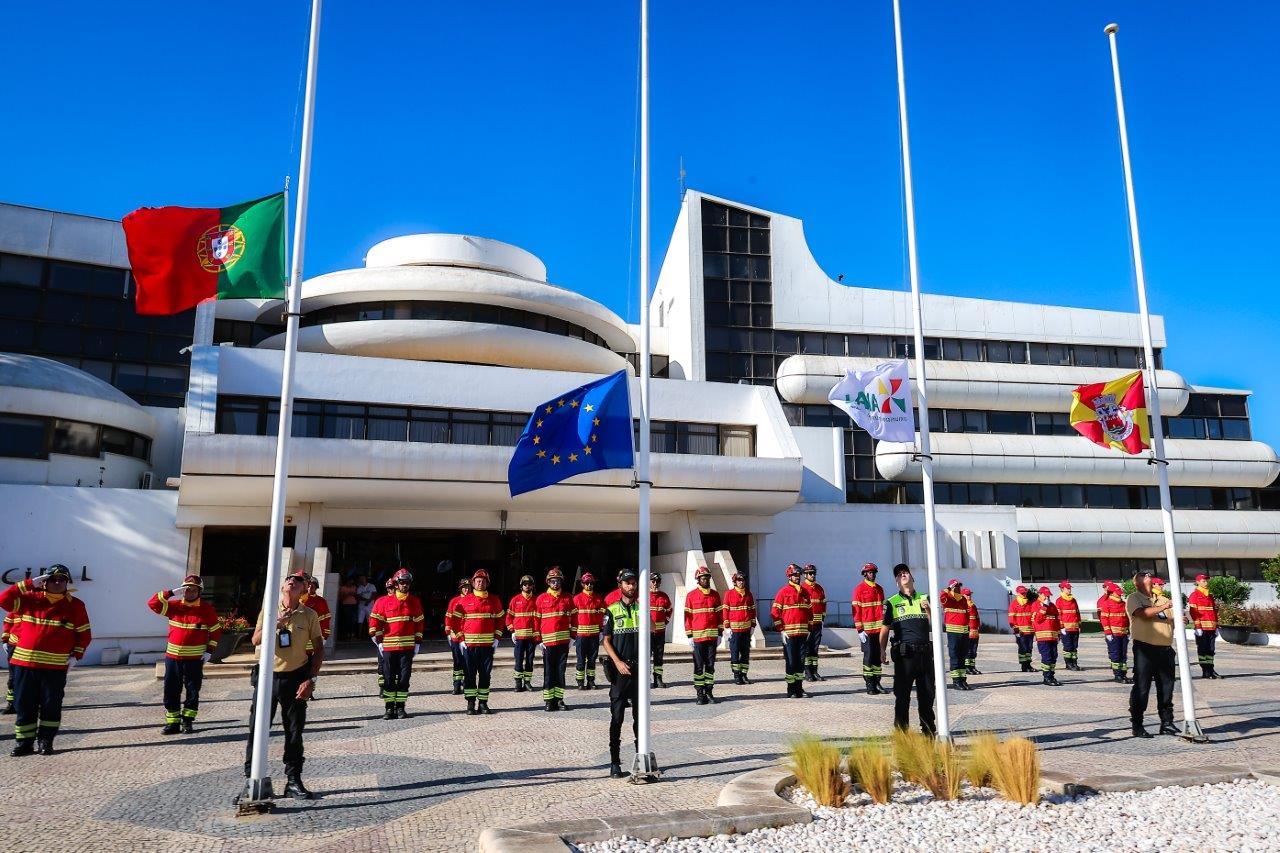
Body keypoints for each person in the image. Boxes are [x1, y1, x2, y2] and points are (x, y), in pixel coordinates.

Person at [242, 570, 323, 799]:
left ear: (305, 588)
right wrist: (276, 624)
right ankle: (250, 780)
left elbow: (319, 649)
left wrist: (311, 679)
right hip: (268, 677)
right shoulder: (269, 611)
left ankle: (293, 780)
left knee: (295, 733)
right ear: (282, 587)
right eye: (289, 579)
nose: (292, 581)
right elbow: (255, 640)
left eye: (298, 580)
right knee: (257, 730)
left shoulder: (309, 615)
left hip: (296, 678)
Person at [1, 565, 91, 756]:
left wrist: (76, 655)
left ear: (67, 582)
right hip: (25, 664)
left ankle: (45, 741)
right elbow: (4, 601)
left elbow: (84, 634)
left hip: (54, 667)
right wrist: (27, 584)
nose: (57, 582)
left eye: (61, 579)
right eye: (52, 579)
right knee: (24, 705)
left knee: (51, 706)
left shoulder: (76, 605)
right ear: (44, 581)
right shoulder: (29, 599)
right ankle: (24, 743)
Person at [147, 575, 221, 734]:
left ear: (199, 591)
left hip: (194, 660)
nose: (190, 592)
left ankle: (188, 722)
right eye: (186, 589)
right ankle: (173, 723)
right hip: (173, 659)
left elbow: (215, 632)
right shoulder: (174, 606)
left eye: (193, 589)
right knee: (171, 690)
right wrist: (171, 593)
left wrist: (209, 651)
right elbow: (152, 603)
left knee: (193, 691)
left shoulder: (206, 610)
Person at [879, 563, 935, 735]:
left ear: (912, 577)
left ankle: (928, 730)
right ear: (897, 581)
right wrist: (882, 650)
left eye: (905, 572)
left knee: (927, 694)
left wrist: (928, 610)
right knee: (902, 696)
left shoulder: (925, 598)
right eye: (899, 574)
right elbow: (885, 628)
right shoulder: (892, 602)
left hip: (925, 654)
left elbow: (935, 624)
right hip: (906, 656)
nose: (903, 575)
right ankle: (902, 732)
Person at [1126, 568, 1178, 738]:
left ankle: (1167, 722)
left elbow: (1172, 619)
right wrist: (1164, 607)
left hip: (1165, 649)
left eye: (1148, 574)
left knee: (1166, 687)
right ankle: (1137, 724)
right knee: (1142, 687)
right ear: (1136, 582)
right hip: (1145, 649)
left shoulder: (1163, 599)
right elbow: (1144, 614)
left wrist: (1179, 619)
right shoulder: (1134, 598)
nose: (1147, 575)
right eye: (1142, 574)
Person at [601, 569, 641, 778]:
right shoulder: (612, 610)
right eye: (627, 583)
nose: (631, 586)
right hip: (620, 671)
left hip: (638, 670)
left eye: (633, 583)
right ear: (620, 586)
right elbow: (606, 641)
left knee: (640, 719)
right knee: (617, 718)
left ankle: (640, 759)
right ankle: (615, 763)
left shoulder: (640, 608)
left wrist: (645, 611)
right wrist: (617, 663)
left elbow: (652, 628)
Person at [369, 568, 424, 720]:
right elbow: (374, 622)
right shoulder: (383, 602)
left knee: (404, 678)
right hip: (388, 647)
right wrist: (378, 641)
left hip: (407, 648)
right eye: (402, 582)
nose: (404, 585)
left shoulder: (414, 601)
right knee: (388, 677)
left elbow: (419, 623)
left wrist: (418, 642)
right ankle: (388, 708)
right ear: (396, 584)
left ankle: (400, 707)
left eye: (407, 582)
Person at [452, 568, 505, 715]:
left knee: (485, 675)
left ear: (487, 583)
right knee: (469, 674)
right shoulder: (464, 600)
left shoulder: (494, 600)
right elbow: (454, 621)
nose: (480, 583)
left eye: (483, 581)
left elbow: (501, 620)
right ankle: (470, 703)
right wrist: (461, 639)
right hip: (469, 645)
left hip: (487, 646)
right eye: (478, 580)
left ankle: (483, 703)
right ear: (473, 582)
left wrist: (497, 638)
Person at [534, 567, 576, 711]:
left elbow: (575, 618)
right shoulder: (541, 599)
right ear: (548, 582)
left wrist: (573, 637)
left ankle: (559, 700)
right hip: (548, 643)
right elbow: (536, 620)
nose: (555, 583)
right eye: (552, 581)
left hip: (563, 642)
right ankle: (548, 700)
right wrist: (539, 640)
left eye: (557, 580)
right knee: (549, 672)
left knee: (560, 672)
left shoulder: (568, 598)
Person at [770, 564, 812, 698]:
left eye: (798, 575)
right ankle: (791, 689)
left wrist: (809, 629)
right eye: (794, 575)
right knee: (791, 662)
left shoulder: (805, 592)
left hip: (803, 634)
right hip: (789, 634)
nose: (797, 577)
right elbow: (775, 612)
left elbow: (810, 612)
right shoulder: (783, 592)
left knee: (800, 661)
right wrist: (781, 630)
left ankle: (799, 688)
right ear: (789, 576)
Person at [684, 566, 724, 705]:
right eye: (703, 578)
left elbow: (720, 615)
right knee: (699, 666)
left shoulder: (715, 595)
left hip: (712, 637)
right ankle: (700, 694)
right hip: (698, 638)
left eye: (707, 577)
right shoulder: (691, 596)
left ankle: (709, 691)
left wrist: (720, 633)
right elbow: (687, 618)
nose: (705, 579)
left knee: (710, 666)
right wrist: (689, 635)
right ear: (698, 580)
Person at [852, 563, 886, 694]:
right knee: (869, 656)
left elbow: (883, 609)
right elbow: (856, 611)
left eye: (874, 572)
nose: (872, 574)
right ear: (865, 574)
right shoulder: (859, 589)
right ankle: (869, 684)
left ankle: (877, 682)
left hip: (879, 630)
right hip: (866, 631)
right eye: (870, 572)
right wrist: (859, 629)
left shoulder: (880, 589)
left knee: (878, 657)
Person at [572, 573, 605, 690]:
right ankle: (580, 681)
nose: (589, 585)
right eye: (587, 583)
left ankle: (591, 681)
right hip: (581, 635)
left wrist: (602, 630)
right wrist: (573, 634)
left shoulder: (598, 599)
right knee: (581, 660)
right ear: (582, 584)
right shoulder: (576, 599)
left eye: (591, 583)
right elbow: (573, 618)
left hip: (594, 635)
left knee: (592, 660)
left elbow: (602, 616)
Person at [722, 572, 757, 685]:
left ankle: (744, 675)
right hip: (735, 630)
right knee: (735, 653)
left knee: (745, 654)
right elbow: (725, 611)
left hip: (746, 630)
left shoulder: (749, 594)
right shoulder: (729, 594)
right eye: (739, 580)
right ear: (735, 582)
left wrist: (753, 625)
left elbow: (752, 611)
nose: (741, 582)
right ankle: (737, 675)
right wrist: (727, 627)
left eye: (743, 580)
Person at [507, 575, 539, 693]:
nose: (527, 586)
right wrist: (512, 631)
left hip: (531, 637)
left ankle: (527, 682)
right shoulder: (515, 600)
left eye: (529, 584)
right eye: (525, 584)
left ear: (532, 586)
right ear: (521, 586)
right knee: (518, 660)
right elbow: (509, 617)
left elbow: (538, 619)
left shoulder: (536, 600)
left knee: (530, 661)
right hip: (519, 637)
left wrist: (538, 635)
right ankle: (518, 683)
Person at [1187, 573, 1221, 679]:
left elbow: (1213, 612)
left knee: (1211, 650)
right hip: (1202, 628)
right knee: (1203, 650)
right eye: (1203, 581)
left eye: (1206, 581)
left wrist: (1216, 626)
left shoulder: (1209, 595)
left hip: (1211, 627)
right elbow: (1193, 612)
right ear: (1198, 582)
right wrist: (1197, 626)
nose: (1206, 583)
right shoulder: (1194, 595)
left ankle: (1211, 669)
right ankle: (1205, 670)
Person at [940, 579, 972, 691]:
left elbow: (967, 615)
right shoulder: (948, 598)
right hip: (954, 633)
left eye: (959, 586)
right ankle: (956, 681)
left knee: (963, 656)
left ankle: (963, 679)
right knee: (955, 656)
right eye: (956, 586)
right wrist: (947, 590)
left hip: (964, 632)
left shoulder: (963, 599)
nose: (958, 588)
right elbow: (941, 597)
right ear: (951, 588)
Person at [1098, 581, 1132, 683]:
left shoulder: (1123, 604)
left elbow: (1127, 619)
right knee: (1115, 654)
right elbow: (1104, 619)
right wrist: (1108, 633)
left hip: (1123, 634)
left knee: (1123, 654)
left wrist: (1129, 632)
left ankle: (1123, 675)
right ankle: (1117, 675)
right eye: (1118, 592)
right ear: (1112, 592)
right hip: (1113, 634)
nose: (1120, 594)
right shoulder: (1107, 604)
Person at [445, 577, 472, 695]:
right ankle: (456, 685)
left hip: (469, 636)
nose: (466, 589)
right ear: (460, 588)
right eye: (464, 587)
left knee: (468, 661)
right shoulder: (454, 601)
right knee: (457, 661)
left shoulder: (474, 600)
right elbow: (448, 617)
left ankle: (467, 683)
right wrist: (448, 633)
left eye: (468, 587)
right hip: (455, 636)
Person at [1031, 586, 1062, 687]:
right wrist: (1044, 606)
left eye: (1049, 595)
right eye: (1046, 595)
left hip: (1053, 636)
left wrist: (1059, 632)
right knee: (1047, 657)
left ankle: (1052, 676)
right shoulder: (1035, 605)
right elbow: (1038, 619)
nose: (1048, 597)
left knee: (1054, 657)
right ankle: (1046, 677)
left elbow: (1057, 620)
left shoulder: (1052, 605)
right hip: (1043, 637)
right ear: (1040, 594)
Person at [800, 564, 827, 682]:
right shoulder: (802, 588)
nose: (813, 575)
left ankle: (815, 671)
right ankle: (807, 673)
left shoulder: (820, 588)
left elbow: (824, 604)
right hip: (807, 625)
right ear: (805, 575)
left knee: (815, 649)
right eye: (810, 573)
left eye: (814, 573)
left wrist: (822, 620)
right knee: (806, 649)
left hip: (817, 624)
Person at [649, 573, 673, 689]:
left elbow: (669, 610)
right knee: (645, 657)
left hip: (660, 633)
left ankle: (658, 679)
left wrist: (666, 621)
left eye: (657, 581)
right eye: (653, 581)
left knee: (659, 656)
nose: (655, 583)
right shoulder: (642, 596)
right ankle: (645, 679)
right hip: (647, 634)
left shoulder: (664, 596)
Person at [1007, 585, 1035, 673]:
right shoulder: (1014, 604)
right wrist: (1015, 628)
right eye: (1022, 593)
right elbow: (1011, 617)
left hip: (1030, 630)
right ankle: (1024, 666)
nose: (1024, 594)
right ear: (1018, 593)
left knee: (1029, 648)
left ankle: (1028, 664)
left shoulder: (1030, 603)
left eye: (1025, 592)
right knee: (1023, 648)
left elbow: (1033, 617)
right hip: (1020, 631)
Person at [1055, 581, 1082, 671]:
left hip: (1075, 627)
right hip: (1066, 628)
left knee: (1074, 646)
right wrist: (1061, 627)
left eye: (1070, 588)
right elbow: (1058, 615)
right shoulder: (1059, 600)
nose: (1069, 590)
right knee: (1068, 646)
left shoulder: (1073, 600)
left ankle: (1074, 663)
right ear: (1062, 589)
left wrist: (1079, 624)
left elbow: (1077, 613)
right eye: (1068, 588)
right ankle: (1068, 663)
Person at [301, 576, 332, 644]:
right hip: (300, 637)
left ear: (316, 587)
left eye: (313, 586)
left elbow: (326, 620)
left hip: (316, 636)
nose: (310, 587)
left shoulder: (321, 601)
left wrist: (324, 635)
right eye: (308, 585)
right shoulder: (300, 599)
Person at [962, 587, 982, 675]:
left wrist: (978, 627)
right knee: (968, 651)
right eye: (967, 595)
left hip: (974, 632)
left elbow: (977, 618)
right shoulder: (963, 605)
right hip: (968, 632)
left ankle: (972, 667)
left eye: (970, 594)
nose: (969, 596)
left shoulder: (973, 605)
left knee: (973, 651)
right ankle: (967, 667)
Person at [3, 610, 18, 714]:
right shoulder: (15, 609)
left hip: (32, 648)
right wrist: (5, 640)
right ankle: (11, 703)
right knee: (13, 676)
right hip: (14, 645)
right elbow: (7, 624)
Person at [337, 576, 358, 640]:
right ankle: (347, 635)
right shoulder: (343, 588)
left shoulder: (354, 587)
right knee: (347, 620)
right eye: (349, 582)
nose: (351, 583)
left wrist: (354, 594)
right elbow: (340, 598)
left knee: (354, 620)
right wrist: (347, 594)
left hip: (354, 605)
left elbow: (358, 596)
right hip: (346, 605)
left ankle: (353, 634)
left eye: (352, 582)